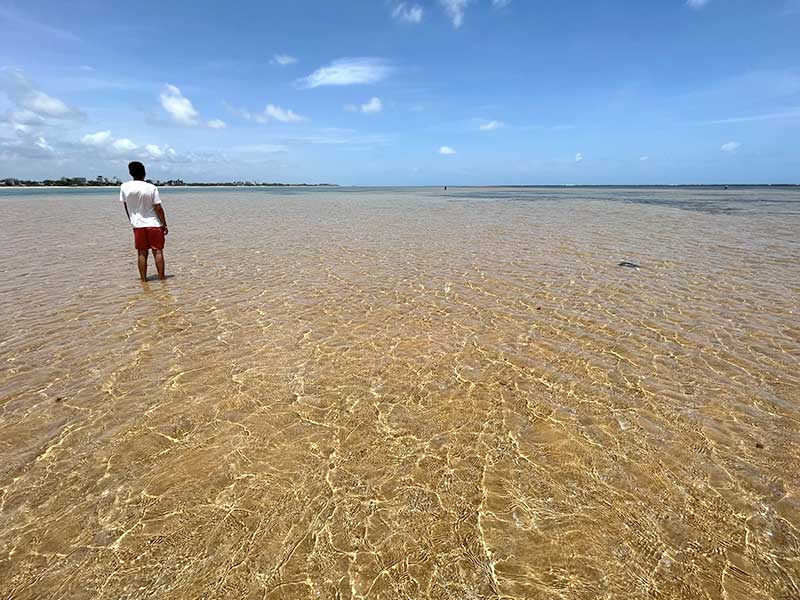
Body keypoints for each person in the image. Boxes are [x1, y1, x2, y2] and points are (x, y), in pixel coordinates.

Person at [120, 161, 169, 281]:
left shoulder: (124, 187)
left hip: (137, 225)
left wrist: (132, 220)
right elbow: (158, 208)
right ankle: (162, 279)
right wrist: (164, 224)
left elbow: (126, 206)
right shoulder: (151, 187)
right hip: (154, 224)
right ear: (144, 173)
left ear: (130, 173)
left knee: (142, 253)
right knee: (158, 252)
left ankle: (143, 280)